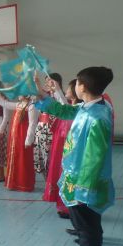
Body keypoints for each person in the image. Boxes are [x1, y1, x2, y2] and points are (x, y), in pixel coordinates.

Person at [35, 67, 114, 246]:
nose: (75, 86)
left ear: (83, 87)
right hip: (78, 180)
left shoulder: (97, 117)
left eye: (77, 82)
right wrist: (40, 95)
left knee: (87, 229)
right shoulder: (88, 108)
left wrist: (83, 190)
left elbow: (94, 158)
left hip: (84, 184)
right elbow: (63, 111)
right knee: (88, 228)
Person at [43, 79, 82, 218]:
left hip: (70, 150)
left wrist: (57, 89)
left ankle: (70, 208)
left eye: (70, 88)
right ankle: (64, 206)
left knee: (69, 178)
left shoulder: (77, 109)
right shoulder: (72, 107)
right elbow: (60, 103)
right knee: (62, 176)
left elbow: (62, 104)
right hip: (62, 147)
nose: (67, 90)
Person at [0, 95, 38, 192]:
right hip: (15, 138)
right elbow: (5, 104)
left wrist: (28, 140)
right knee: (15, 159)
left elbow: (32, 124)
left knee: (23, 160)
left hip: (23, 138)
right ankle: (14, 183)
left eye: (20, 93)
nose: (18, 95)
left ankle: (24, 184)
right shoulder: (19, 105)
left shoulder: (31, 106)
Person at [33, 72, 63, 175]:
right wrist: (36, 83)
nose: (46, 83)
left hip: (53, 129)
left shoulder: (60, 96)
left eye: (48, 80)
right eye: (45, 81)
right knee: (41, 155)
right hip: (41, 128)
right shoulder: (46, 95)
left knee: (51, 156)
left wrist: (38, 83)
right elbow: (40, 93)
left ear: (56, 82)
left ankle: (53, 180)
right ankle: (47, 181)